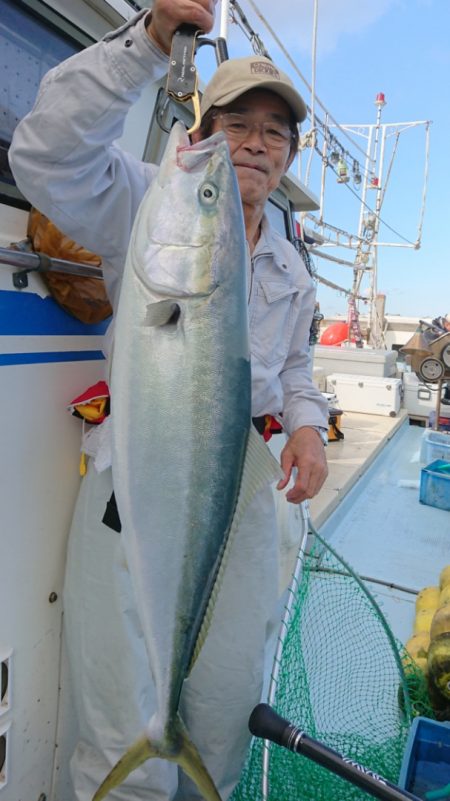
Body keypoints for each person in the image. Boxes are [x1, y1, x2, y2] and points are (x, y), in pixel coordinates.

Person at [9, 1, 329, 799]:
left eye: (274, 131)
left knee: (223, 703)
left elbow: (294, 368)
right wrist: (148, 45)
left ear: (287, 155)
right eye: (237, 122)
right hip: (140, 485)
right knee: (126, 720)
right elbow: (47, 155)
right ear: (200, 129)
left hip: (242, 496)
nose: (256, 141)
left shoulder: (291, 266)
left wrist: (307, 427)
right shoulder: (153, 201)